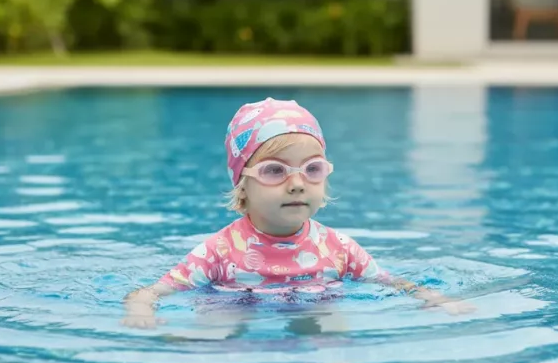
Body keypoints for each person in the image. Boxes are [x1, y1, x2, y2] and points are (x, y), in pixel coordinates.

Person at [123, 97, 475, 328]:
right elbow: (149, 292)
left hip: (314, 306)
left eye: (312, 169)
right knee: (214, 331)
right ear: (242, 186)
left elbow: (392, 284)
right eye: (274, 171)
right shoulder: (220, 251)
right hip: (235, 307)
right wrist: (140, 311)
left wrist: (434, 298)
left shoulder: (338, 249)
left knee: (331, 328)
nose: (296, 184)